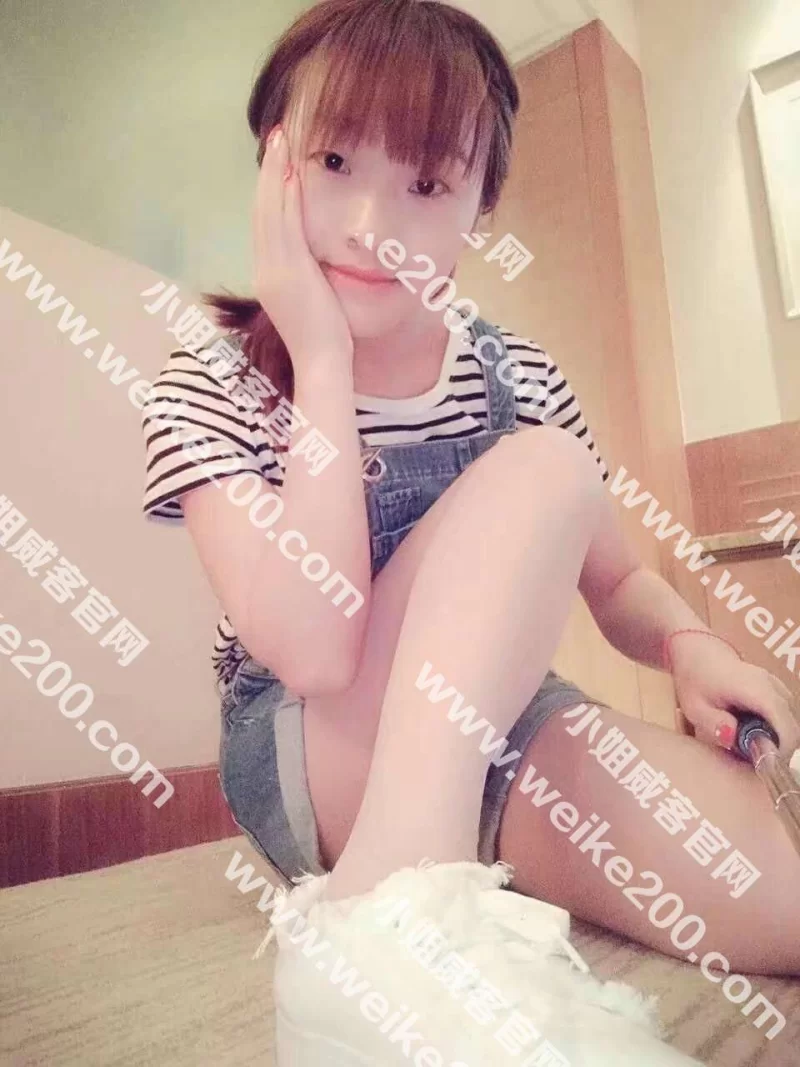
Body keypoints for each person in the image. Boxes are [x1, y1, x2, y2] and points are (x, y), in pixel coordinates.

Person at [141, 1, 799, 1062]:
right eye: (335, 161)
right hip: (312, 742)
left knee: (778, 888)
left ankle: (434, 872)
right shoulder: (204, 385)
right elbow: (313, 651)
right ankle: (388, 914)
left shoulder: (518, 376)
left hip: (497, 723)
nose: (372, 224)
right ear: (275, 164)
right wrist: (320, 358)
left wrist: (690, 646)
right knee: (543, 464)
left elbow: (617, 582)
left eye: (428, 184)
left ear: (478, 208)